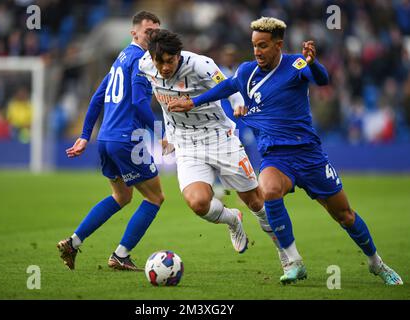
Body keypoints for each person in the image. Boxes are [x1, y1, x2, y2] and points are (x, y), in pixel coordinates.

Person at [168, 17, 403, 285]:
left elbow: (322, 80)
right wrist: (194, 101)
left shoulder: (296, 65)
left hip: (309, 155)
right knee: (267, 190)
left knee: (344, 215)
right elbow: (227, 87)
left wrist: (313, 63)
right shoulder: (247, 71)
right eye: (255, 45)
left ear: (278, 45)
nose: (257, 51)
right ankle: (294, 261)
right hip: (276, 157)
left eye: (263, 45)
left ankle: (376, 263)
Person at [138, 29, 292, 270]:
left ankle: (284, 252)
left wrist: (240, 105)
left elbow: (231, 88)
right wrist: (168, 132)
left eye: (170, 61)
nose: (165, 67)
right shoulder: (145, 64)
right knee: (198, 203)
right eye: (160, 62)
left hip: (220, 138)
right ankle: (232, 220)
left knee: (255, 202)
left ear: (178, 55)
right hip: (187, 143)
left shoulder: (201, 65)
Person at [57, 11, 163, 271]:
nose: (153, 36)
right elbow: (139, 104)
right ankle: (121, 255)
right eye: (148, 31)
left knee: (121, 195)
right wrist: (161, 133)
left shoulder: (121, 58)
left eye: (156, 32)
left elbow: (97, 97)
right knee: (155, 197)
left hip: (106, 138)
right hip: (127, 139)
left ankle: (73, 242)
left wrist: (85, 136)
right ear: (134, 33)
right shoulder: (141, 60)